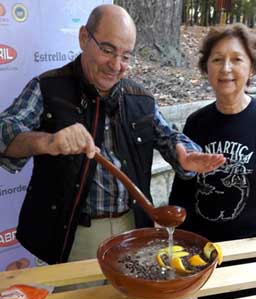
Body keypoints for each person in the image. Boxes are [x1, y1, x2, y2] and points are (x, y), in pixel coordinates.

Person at [0, 4, 225, 266]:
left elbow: (169, 136)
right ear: (84, 38)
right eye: (107, 50)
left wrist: (186, 155)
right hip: (72, 235)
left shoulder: (139, 98)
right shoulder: (48, 88)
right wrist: (47, 141)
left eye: (126, 56)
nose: (116, 65)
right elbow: (4, 131)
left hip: (134, 230)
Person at [169, 23, 256, 299]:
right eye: (217, 59)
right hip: (206, 253)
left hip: (253, 252)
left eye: (236, 59)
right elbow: (182, 191)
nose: (226, 68)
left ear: (251, 68)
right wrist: (179, 244)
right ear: (207, 69)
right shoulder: (196, 123)